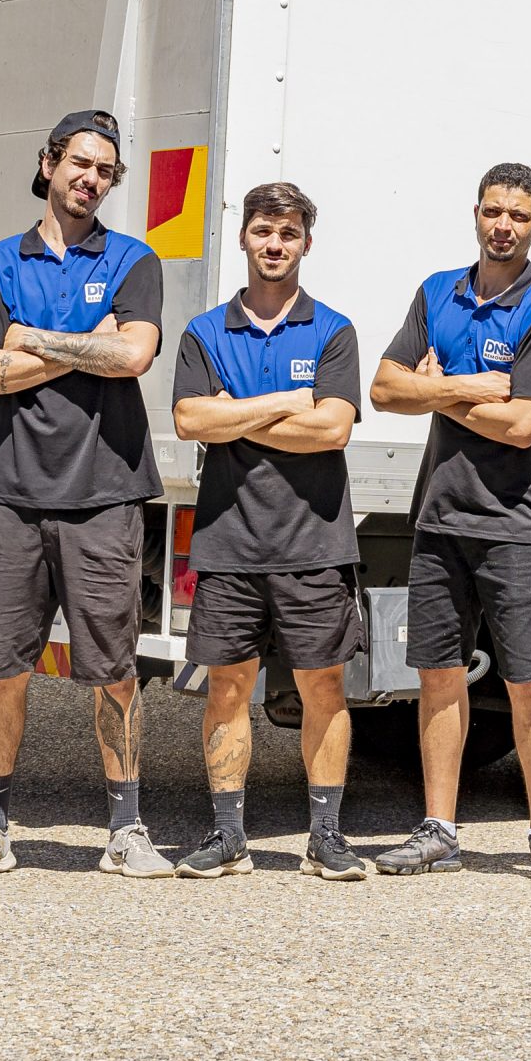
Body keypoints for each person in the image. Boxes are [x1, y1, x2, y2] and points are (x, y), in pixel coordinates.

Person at [0, 109, 168, 879]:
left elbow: (134, 356)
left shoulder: (134, 260)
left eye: (105, 170)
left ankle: (127, 829)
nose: (91, 179)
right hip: (12, 493)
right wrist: (87, 345)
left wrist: (30, 339)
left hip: (105, 493)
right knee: (3, 666)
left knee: (114, 668)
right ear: (48, 164)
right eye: (80, 163)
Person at [367, 162, 531, 882]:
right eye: (493, 211)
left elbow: (523, 425)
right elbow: (384, 387)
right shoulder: (438, 292)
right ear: (476, 213)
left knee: (528, 680)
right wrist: (466, 388)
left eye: (518, 216)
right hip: (440, 517)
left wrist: (432, 389)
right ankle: (439, 830)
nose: (503, 226)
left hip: (518, 524)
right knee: (438, 676)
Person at [168, 182, 369, 883]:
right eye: (263, 230)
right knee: (227, 687)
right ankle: (229, 836)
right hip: (230, 541)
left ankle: (326, 837)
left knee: (324, 688)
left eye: (287, 232)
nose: (274, 244)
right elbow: (190, 421)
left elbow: (333, 429)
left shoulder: (333, 329)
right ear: (244, 237)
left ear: (306, 242)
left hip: (314, 542)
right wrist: (288, 401)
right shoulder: (204, 332)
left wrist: (237, 414)